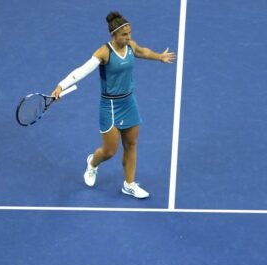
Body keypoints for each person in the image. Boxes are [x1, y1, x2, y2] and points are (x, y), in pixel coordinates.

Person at [51, 11, 175, 199]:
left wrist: (159, 57)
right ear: (114, 35)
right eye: (124, 34)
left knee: (131, 144)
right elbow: (82, 71)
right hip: (109, 106)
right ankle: (92, 163)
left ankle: (129, 184)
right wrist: (61, 86)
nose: (129, 37)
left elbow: (142, 51)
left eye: (130, 33)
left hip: (129, 102)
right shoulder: (104, 52)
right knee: (110, 151)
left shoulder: (131, 45)